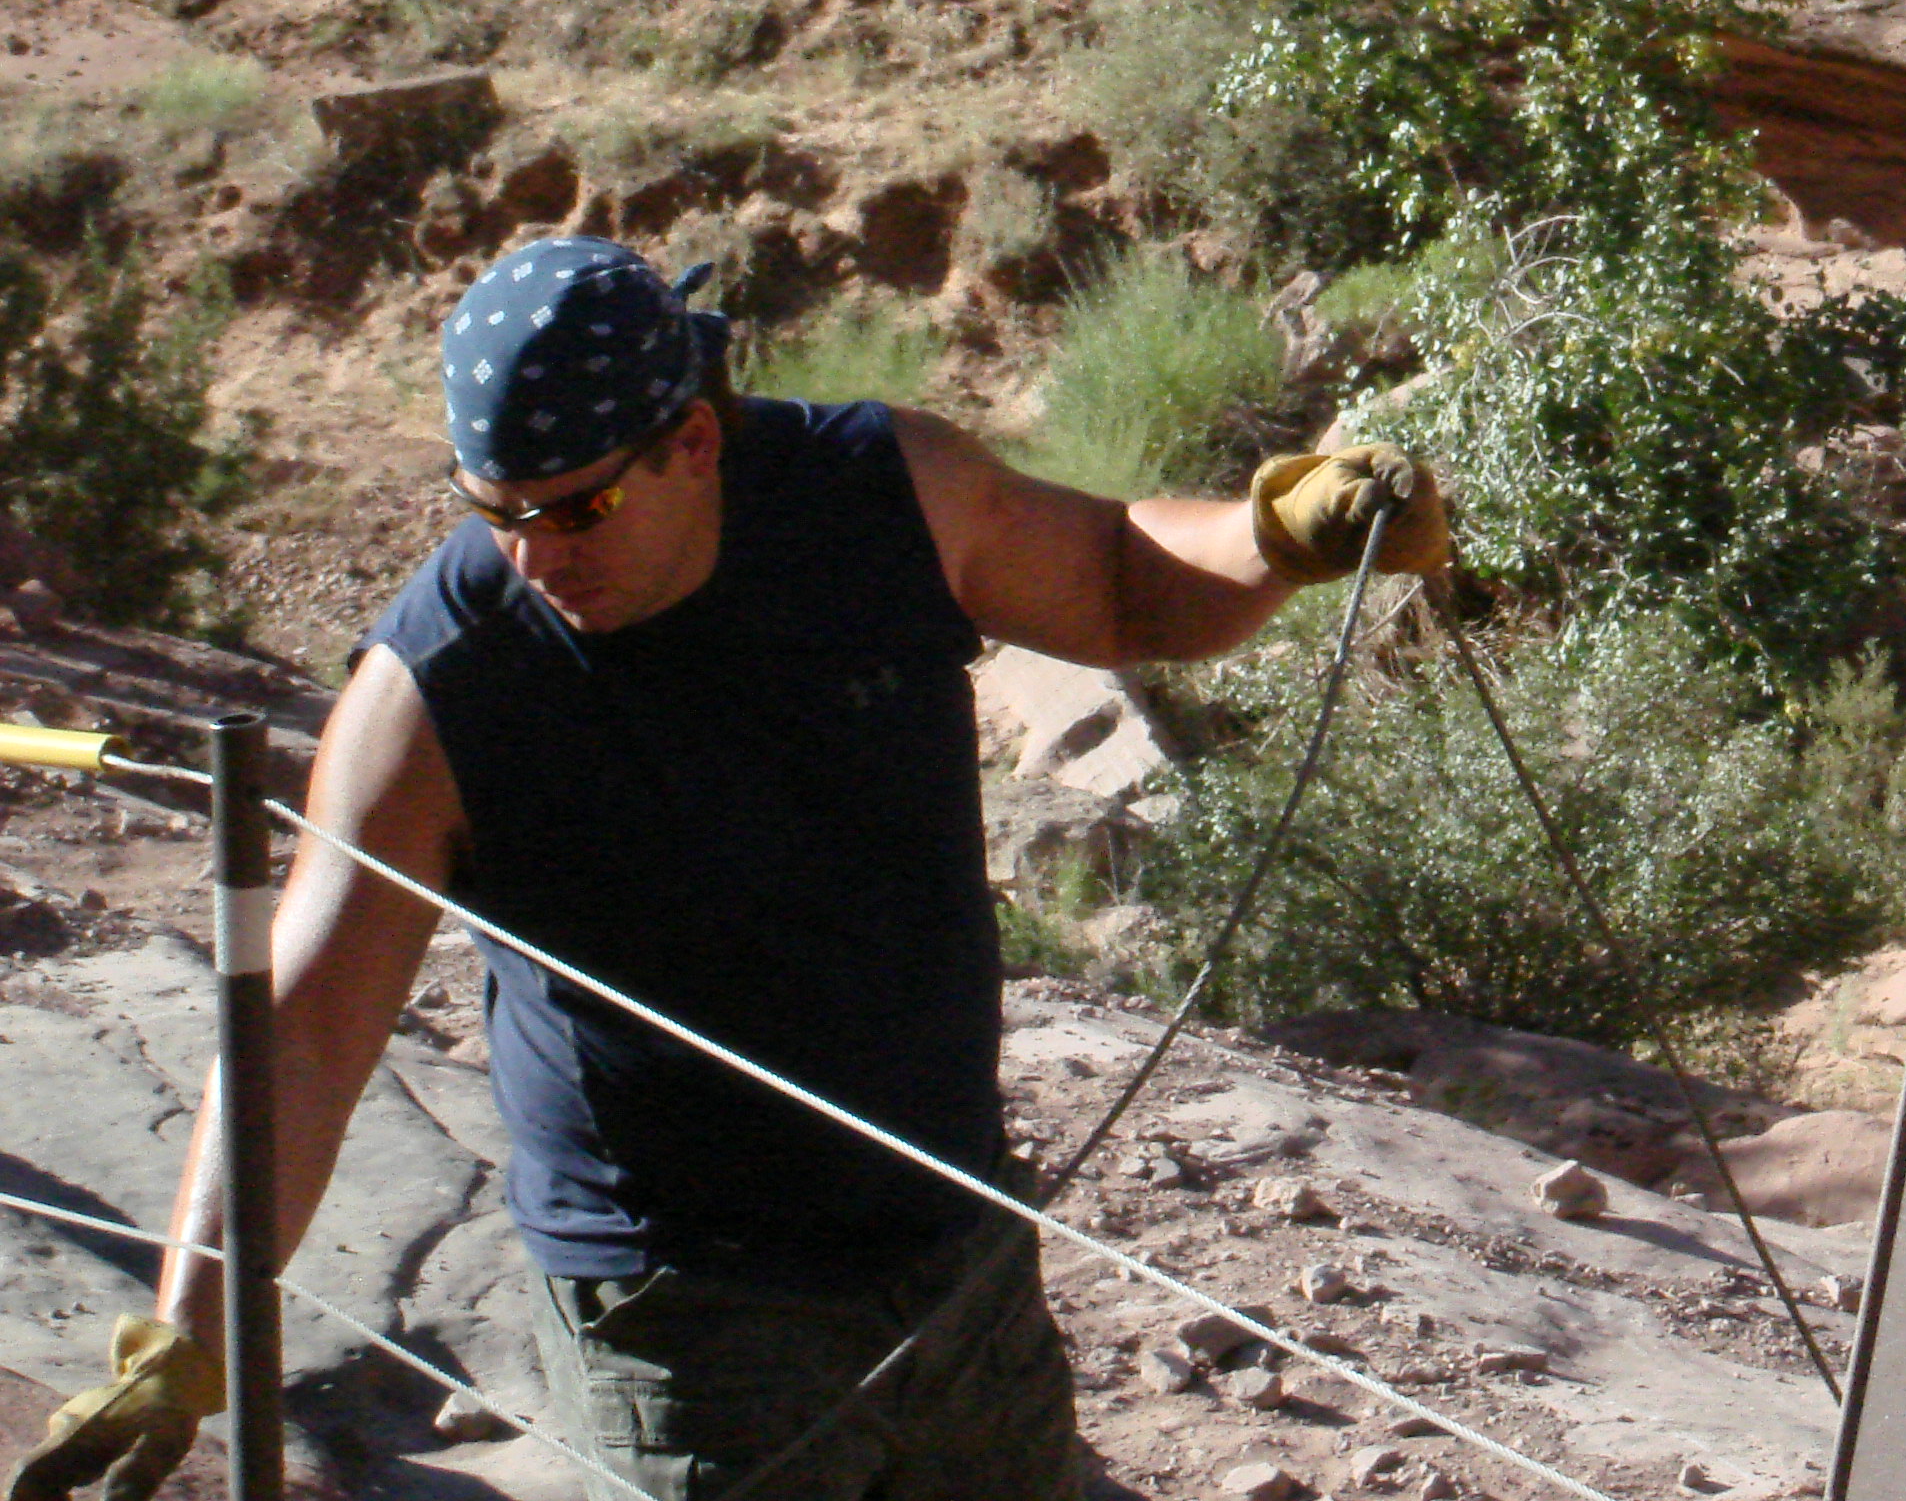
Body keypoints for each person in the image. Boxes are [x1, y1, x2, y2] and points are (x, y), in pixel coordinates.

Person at [10, 237, 1446, 1501]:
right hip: (677, 1312)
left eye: (577, 509)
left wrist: (1275, 534)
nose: (535, 555)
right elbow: (307, 1026)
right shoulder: (438, 688)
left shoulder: (884, 494)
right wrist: (184, 1337)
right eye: (497, 511)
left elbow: (1121, 578)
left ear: (693, 441)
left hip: (954, 1247)